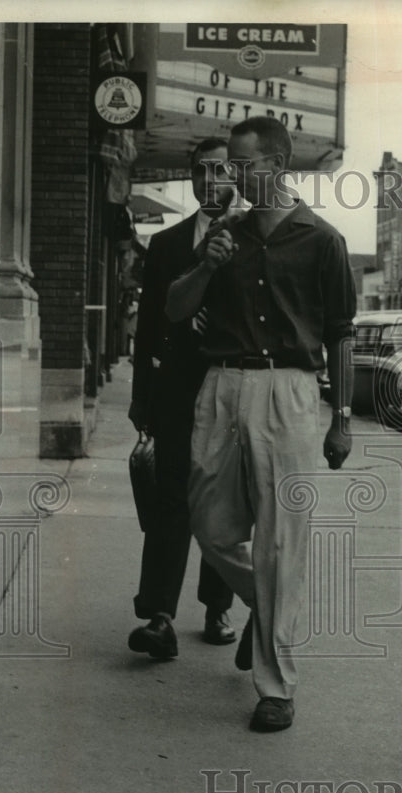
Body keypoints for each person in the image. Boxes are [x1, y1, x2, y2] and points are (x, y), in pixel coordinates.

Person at [166, 116, 356, 733]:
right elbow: (174, 309)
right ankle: (263, 604)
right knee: (210, 525)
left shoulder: (321, 240)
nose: (231, 176)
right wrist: (204, 266)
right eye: (227, 166)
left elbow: (340, 335)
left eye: (242, 164)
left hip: (291, 391)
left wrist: (342, 418)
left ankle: (276, 687)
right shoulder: (225, 233)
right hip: (222, 385)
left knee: (282, 540)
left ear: (277, 165)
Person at [126, 138, 239, 659]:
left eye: (220, 170)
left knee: (220, 506)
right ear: (190, 177)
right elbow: (148, 327)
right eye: (200, 170)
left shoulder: (253, 237)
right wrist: (141, 399)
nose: (209, 180)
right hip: (174, 392)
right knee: (170, 500)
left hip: (229, 394)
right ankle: (160, 617)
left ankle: (218, 608)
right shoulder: (168, 243)